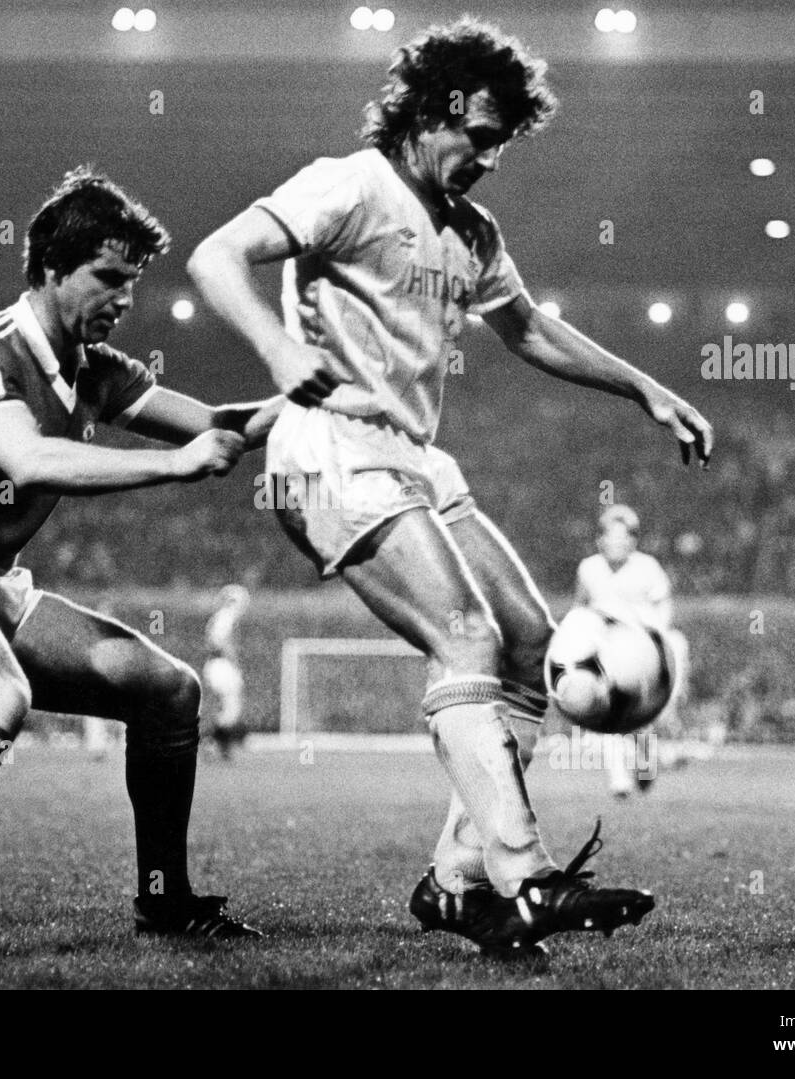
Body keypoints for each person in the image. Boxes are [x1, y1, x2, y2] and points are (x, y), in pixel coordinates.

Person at [188, 17, 712, 964]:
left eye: (503, 141)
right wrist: (278, 347)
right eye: (479, 133)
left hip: (417, 460)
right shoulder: (348, 184)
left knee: (530, 641)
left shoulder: (473, 231)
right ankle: (526, 873)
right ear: (432, 111)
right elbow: (215, 256)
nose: (491, 156)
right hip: (329, 451)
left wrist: (647, 386)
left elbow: (533, 332)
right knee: (464, 637)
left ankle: (456, 883)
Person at [0, 165, 277, 960]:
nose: (125, 298)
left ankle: (164, 902)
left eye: (133, 282)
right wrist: (178, 466)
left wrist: (320, 395)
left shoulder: (94, 370)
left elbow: (218, 425)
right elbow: (28, 459)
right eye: (108, 277)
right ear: (48, 270)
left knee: (168, 690)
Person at [575, 505, 692, 796]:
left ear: (633, 540)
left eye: (624, 537)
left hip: (644, 652)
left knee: (642, 718)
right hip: (607, 653)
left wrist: (654, 638)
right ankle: (620, 780)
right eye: (611, 536)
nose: (617, 543)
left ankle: (646, 761)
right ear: (600, 539)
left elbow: (664, 606)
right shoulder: (589, 568)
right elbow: (580, 609)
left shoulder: (647, 567)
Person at [203, 584, 252, 759]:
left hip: (215, 664)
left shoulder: (219, 616)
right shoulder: (226, 616)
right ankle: (213, 742)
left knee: (227, 707)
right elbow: (223, 642)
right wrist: (235, 664)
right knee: (232, 707)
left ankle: (220, 745)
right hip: (222, 665)